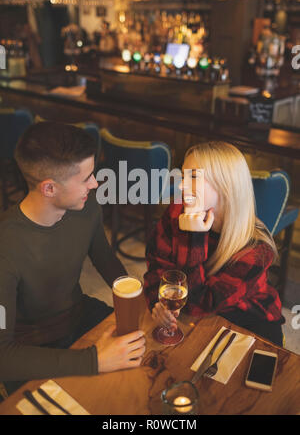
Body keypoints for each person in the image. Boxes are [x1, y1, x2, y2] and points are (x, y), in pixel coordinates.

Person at [0, 122, 145, 394]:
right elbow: (3, 357)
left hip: (80, 316)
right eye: (86, 178)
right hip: (31, 348)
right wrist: (95, 361)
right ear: (49, 189)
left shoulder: (85, 205)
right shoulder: (5, 247)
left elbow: (104, 257)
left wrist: (139, 303)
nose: (95, 183)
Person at [144, 141, 285, 346]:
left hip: (249, 324)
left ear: (225, 187)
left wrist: (196, 238)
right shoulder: (177, 210)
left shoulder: (257, 249)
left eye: (193, 177)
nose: (181, 185)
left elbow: (199, 303)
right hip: (198, 318)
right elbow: (156, 264)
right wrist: (156, 303)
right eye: (184, 176)